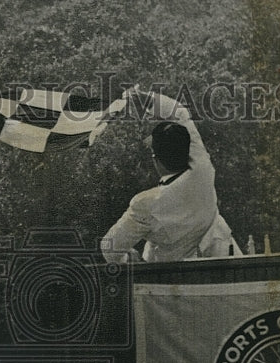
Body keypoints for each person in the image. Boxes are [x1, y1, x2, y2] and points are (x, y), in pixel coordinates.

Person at [100, 89, 236, 263]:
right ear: (188, 151)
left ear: (155, 159)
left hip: (172, 277)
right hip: (221, 257)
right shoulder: (203, 170)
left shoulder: (145, 204)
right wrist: (145, 97)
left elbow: (109, 248)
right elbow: (179, 113)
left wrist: (127, 258)